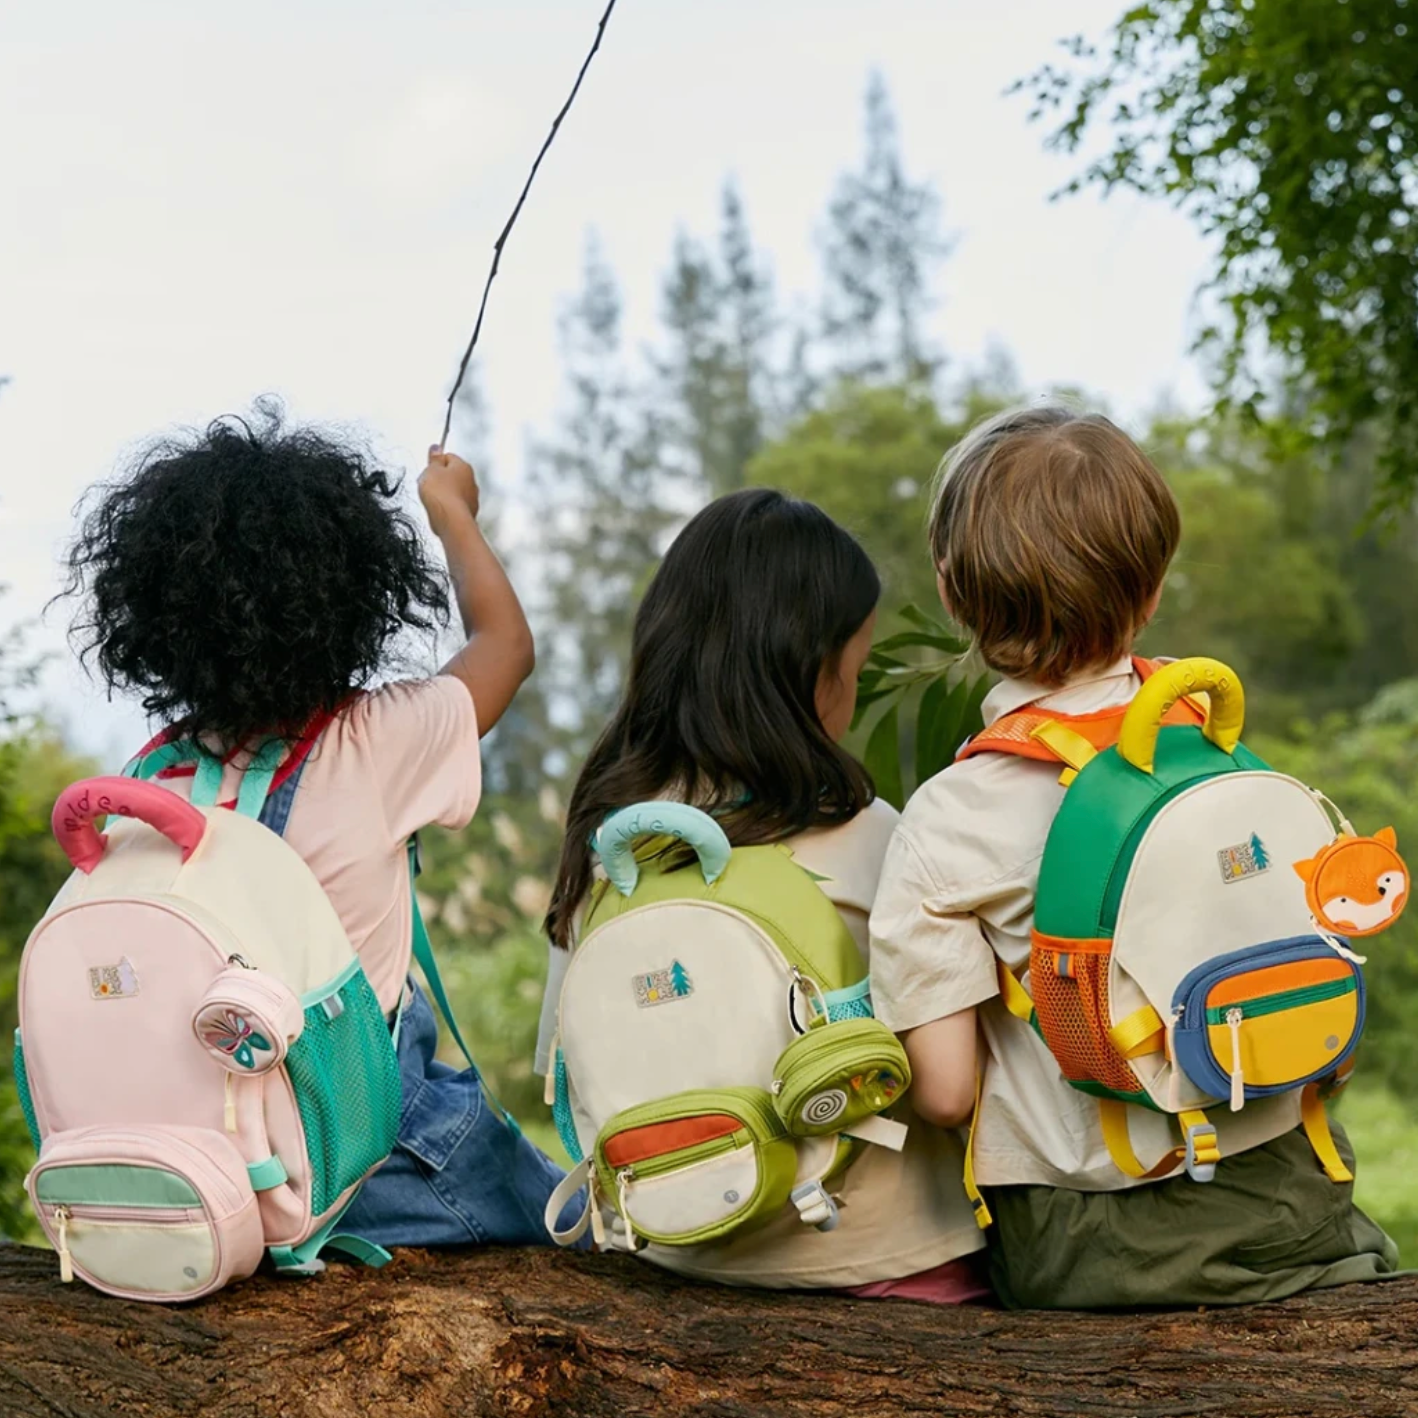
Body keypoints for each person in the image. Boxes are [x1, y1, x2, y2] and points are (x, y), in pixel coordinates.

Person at [868, 404, 1399, 1309]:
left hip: (1087, 1239)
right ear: (1152, 591)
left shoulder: (949, 817)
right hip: (1292, 1191)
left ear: (952, 593)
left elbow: (948, 1093)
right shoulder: (1219, 749)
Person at [63, 401, 577, 1249]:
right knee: (570, 1227)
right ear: (352, 598)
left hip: (187, 1162)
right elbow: (505, 645)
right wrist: (452, 515)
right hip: (359, 1169)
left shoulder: (147, 779)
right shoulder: (376, 740)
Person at [536, 487, 989, 1300]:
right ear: (812, 677)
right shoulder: (874, 834)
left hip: (676, 1256)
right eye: (853, 668)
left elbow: (566, 1071)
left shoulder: (609, 844)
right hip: (887, 1262)